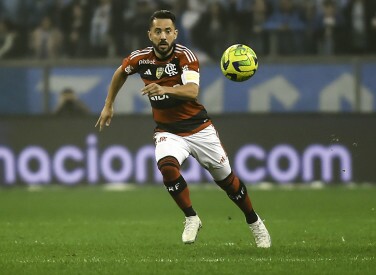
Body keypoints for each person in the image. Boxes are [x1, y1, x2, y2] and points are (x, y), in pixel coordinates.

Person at [95, 10, 271, 248]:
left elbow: (192, 91)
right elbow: (120, 73)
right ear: (150, 35)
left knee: (228, 181)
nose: (163, 36)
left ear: (175, 33)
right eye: (158, 31)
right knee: (167, 167)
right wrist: (108, 106)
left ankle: (254, 222)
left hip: (199, 128)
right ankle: (191, 217)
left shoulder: (185, 56)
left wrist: (164, 89)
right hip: (168, 130)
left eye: (168, 31)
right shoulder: (141, 59)